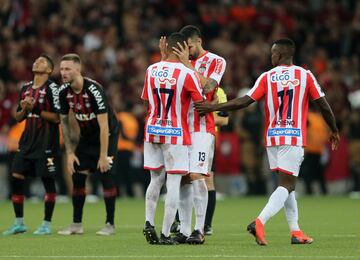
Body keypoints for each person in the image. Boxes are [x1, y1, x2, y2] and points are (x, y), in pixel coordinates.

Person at [195, 38, 340, 245]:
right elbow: (323, 105)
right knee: (288, 184)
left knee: (287, 185)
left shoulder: (267, 77)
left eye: (272, 53)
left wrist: (212, 108)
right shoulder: (305, 75)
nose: (270, 56)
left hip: (273, 137)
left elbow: (245, 101)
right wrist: (333, 129)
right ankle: (259, 222)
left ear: (280, 55)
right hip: (293, 136)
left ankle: (296, 231)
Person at [142, 32, 204, 245]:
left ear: (166, 47)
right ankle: (166, 234)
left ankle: (148, 223)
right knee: (174, 181)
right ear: (184, 49)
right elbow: (201, 103)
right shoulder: (187, 74)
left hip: (152, 129)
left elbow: (146, 99)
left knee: (155, 180)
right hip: (176, 133)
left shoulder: (151, 69)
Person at [168, 25, 226, 244]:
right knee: (183, 178)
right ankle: (184, 230)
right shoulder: (180, 60)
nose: (186, 51)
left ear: (198, 41)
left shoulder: (217, 61)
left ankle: (199, 230)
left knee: (197, 175)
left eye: (189, 46)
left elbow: (209, 87)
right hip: (181, 126)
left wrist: (185, 64)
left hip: (202, 128)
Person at [57, 54, 119, 236]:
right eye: (61, 69)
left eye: (67, 69)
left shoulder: (94, 90)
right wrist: (69, 152)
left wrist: (103, 155)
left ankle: (110, 224)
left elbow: (104, 125)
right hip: (87, 136)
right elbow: (64, 123)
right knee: (77, 176)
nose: (63, 73)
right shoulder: (63, 93)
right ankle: (76, 224)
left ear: (78, 69)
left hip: (108, 134)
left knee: (105, 174)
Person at [3, 54, 60, 235]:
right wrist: (24, 108)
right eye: (36, 60)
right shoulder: (26, 88)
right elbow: (19, 117)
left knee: (48, 182)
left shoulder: (53, 88)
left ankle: (46, 224)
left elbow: (57, 118)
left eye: (42, 61)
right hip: (27, 142)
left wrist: (34, 108)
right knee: (16, 178)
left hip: (46, 142)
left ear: (49, 70)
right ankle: (19, 223)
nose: (37, 61)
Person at [204, 86, 229, 235]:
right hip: (187, 137)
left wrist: (202, 118)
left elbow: (224, 120)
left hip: (207, 138)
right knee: (183, 178)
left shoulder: (218, 92)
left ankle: (207, 225)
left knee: (208, 180)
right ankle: (177, 221)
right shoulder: (189, 83)